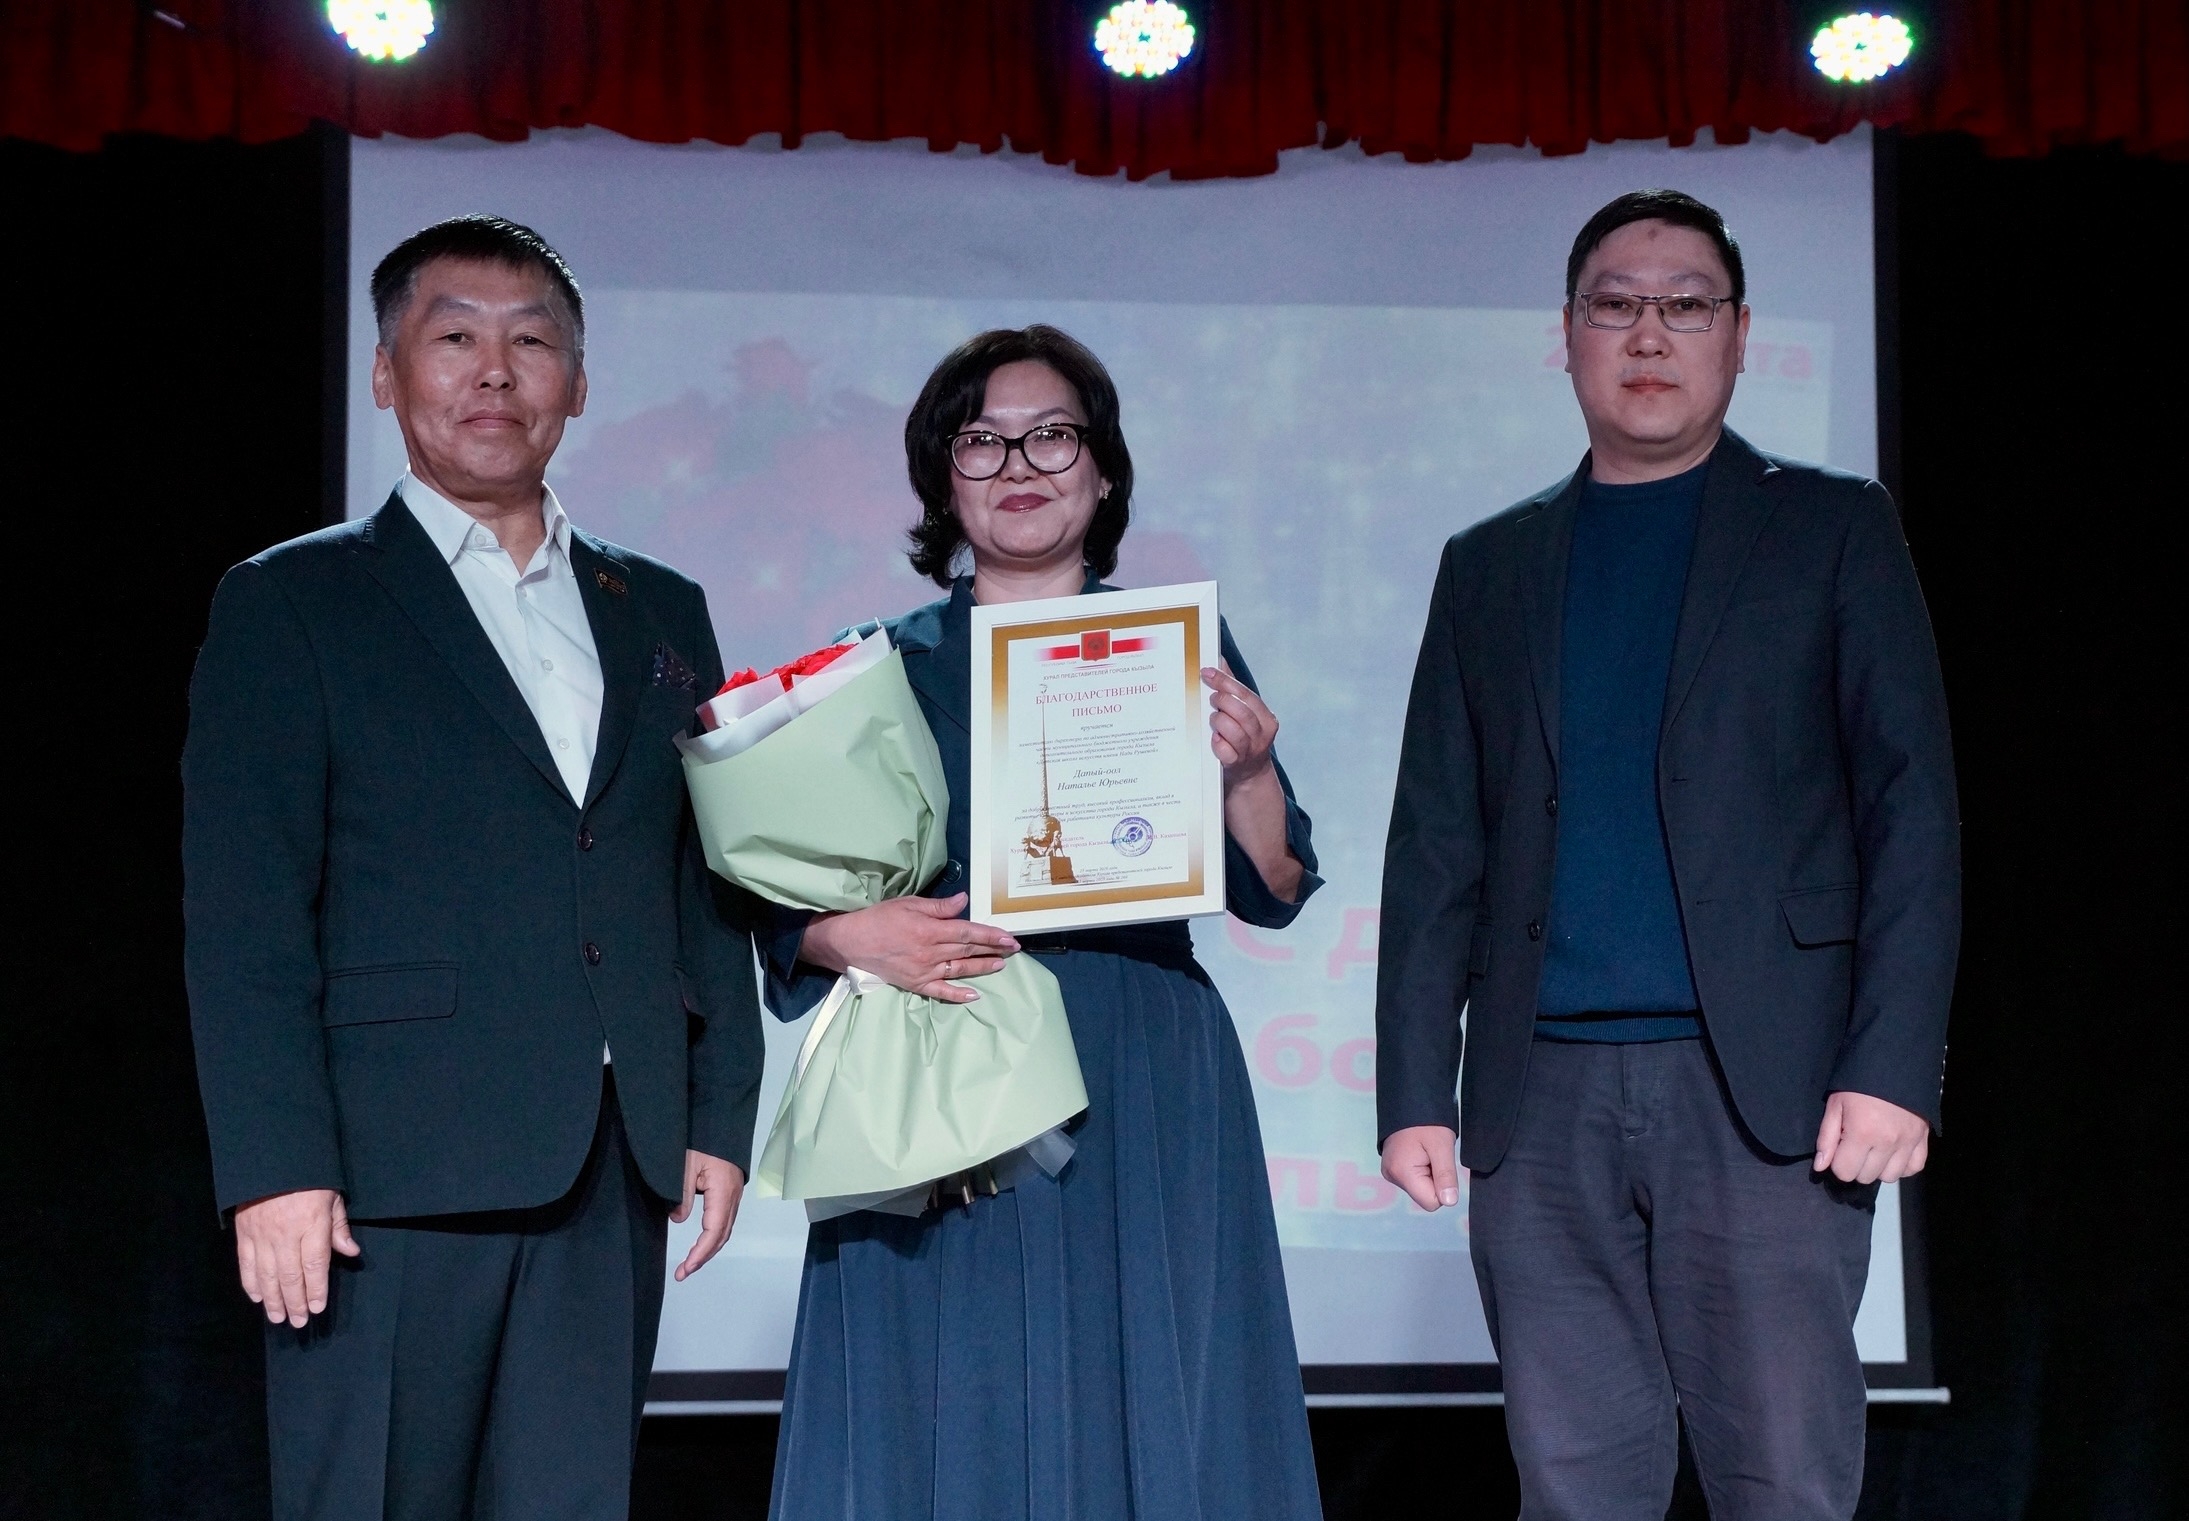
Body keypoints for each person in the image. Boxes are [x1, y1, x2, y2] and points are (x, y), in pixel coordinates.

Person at [1375, 190, 1960, 1519]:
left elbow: (1910, 814)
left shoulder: (1831, 528)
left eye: (1685, 305)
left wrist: (1889, 1068)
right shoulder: (1489, 563)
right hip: (1536, 1102)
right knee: (1571, 1486)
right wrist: (1415, 1088)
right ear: (1566, 335)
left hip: (1766, 1095)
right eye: (1615, 305)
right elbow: (1437, 840)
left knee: (1782, 1479)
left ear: (1738, 335)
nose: (1648, 333)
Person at [181, 215, 764, 1519]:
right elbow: (244, 919)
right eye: (454, 338)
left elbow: (699, 875)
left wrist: (718, 1111)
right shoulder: (293, 601)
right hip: (386, 1177)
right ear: (387, 374)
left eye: (530, 342)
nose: (494, 371)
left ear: (577, 383)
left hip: (608, 1161)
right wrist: (274, 1166)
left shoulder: (658, 605)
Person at [763, 326, 1326, 1521]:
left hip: (1140, 1059)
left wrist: (1248, 771)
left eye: (1051, 436)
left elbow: (1273, 885)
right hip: (944, 1046)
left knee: (1153, 1388)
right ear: (942, 479)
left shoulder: (1174, 648)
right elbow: (773, 905)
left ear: (1102, 470)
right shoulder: (871, 670)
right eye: (981, 440)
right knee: (951, 1384)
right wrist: (850, 938)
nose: (1018, 463)